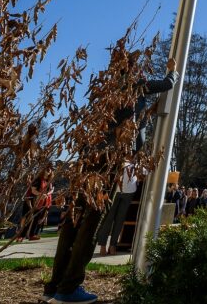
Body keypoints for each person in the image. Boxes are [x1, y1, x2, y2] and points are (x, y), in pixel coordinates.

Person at [41, 58, 178, 304]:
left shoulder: (107, 91)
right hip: (108, 164)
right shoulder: (134, 83)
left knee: (73, 223)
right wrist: (173, 70)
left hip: (87, 162)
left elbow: (127, 123)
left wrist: (146, 115)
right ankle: (69, 287)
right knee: (91, 224)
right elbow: (168, 83)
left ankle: (55, 284)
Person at [96, 162, 138, 256]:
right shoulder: (119, 156)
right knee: (108, 219)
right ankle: (102, 245)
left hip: (130, 191)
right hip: (115, 191)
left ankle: (113, 245)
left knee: (120, 220)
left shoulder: (138, 158)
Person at [18, 168, 52, 241]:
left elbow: (51, 190)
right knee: (28, 218)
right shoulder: (38, 179)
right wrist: (41, 194)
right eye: (47, 169)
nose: (49, 171)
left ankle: (32, 235)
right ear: (43, 170)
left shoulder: (48, 181)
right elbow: (33, 190)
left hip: (41, 202)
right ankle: (21, 236)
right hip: (31, 201)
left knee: (36, 219)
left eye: (50, 170)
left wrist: (47, 194)